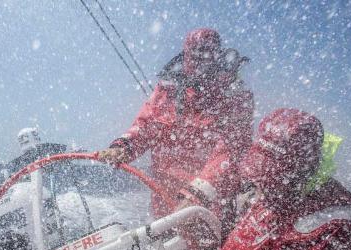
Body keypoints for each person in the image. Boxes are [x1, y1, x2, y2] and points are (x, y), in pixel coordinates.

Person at [98, 28, 254, 218]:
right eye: (196, 53)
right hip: (164, 199)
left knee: (210, 245)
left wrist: (197, 195)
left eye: (206, 53)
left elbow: (231, 151)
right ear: (186, 53)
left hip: (210, 205)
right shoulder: (168, 90)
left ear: (216, 55)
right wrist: (123, 147)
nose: (201, 60)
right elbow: (147, 126)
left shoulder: (234, 96)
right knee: (163, 244)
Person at [211, 108, 351, 250]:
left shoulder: (340, 231)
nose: (259, 188)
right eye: (258, 177)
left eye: (270, 181)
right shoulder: (273, 197)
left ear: (301, 174)